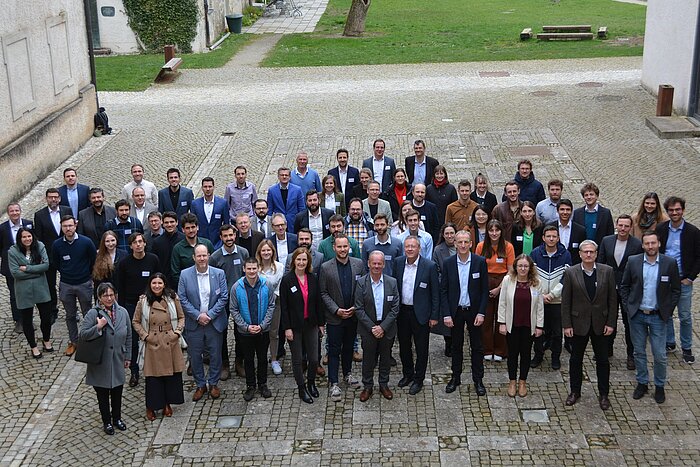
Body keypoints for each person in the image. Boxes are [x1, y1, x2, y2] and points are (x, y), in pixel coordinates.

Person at [621, 232, 681, 404]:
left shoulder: (669, 263)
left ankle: (660, 385)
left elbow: (676, 289)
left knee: (660, 354)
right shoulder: (634, 261)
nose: (650, 246)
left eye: (653, 243)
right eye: (647, 243)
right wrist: (628, 307)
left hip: (658, 316)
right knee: (639, 351)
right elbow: (624, 286)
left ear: (659, 244)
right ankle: (642, 382)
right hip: (637, 315)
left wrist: (668, 310)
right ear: (642, 245)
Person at [561, 240, 617, 410]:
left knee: (602, 360)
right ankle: (575, 391)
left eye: (591, 252)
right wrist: (567, 325)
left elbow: (612, 301)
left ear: (596, 253)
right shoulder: (571, 273)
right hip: (579, 324)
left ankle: (604, 394)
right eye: (585, 252)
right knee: (575, 360)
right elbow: (566, 302)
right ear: (580, 254)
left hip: (600, 323)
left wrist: (611, 323)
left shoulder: (607, 272)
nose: (588, 255)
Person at [78, 282, 131, 435]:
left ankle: (117, 418)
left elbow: (128, 336)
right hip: (100, 361)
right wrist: (98, 327)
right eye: (105, 295)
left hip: (117, 359)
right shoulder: (93, 313)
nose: (109, 298)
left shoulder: (123, 312)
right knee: (102, 394)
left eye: (111, 295)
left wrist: (127, 356)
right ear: (99, 298)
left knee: (117, 392)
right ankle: (106, 421)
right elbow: (83, 334)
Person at [442, 230, 489, 396]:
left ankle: (478, 379)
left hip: (474, 312)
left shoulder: (480, 262)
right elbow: (444, 290)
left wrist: (482, 312)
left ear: (471, 244)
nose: (462, 245)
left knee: (477, 347)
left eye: (465, 242)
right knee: (456, 346)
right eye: (459, 242)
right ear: (454, 243)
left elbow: (484, 290)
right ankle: (455, 377)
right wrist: (446, 314)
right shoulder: (448, 263)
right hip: (456, 312)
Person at [178, 244, 228, 401]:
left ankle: (213, 383)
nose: (202, 258)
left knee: (215, 354)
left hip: (214, 322)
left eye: (204, 255)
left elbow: (223, 297)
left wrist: (210, 315)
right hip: (194, 323)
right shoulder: (185, 275)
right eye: (198, 256)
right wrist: (198, 316)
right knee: (195, 356)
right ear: (194, 257)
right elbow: (183, 299)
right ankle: (200, 384)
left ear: (208, 256)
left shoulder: (218, 274)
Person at [132, 273, 185, 420]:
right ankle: (151, 406)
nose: (157, 286)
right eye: (154, 283)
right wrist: (145, 336)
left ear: (164, 284)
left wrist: (177, 333)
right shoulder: (143, 301)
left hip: (170, 340)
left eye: (160, 283)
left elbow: (181, 317)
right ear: (150, 284)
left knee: (170, 376)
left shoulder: (172, 299)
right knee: (153, 378)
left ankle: (167, 403)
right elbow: (135, 321)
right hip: (152, 342)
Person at [320, 234, 365, 402]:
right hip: (335, 317)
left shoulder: (358, 264)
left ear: (349, 247)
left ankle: (347, 374)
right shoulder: (326, 267)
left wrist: (355, 307)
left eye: (345, 246)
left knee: (348, 347)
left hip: (352, 316)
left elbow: (362, 288)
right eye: (339, 247)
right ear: (334, 248)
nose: (342, 250)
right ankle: (334, 382)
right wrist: (336, 309)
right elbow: (323, 292)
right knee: (333, 350)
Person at [114, 232, 161, 387]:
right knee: (133, 340)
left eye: (141, 241)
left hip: (151, 303)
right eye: (135, 242)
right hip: (131, 305)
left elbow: (159, 281)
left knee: (153, 336)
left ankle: (154, 368)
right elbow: (120, 287)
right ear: (131, 246)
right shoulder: (124, 263)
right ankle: (134, 371)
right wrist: (120, 310)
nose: (138, 245)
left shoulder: (153, 259)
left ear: (145, 243)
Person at [394, 236, 440, 395]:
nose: (410, 249)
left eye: (413, 246)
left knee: (421, 348)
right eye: (407, 246)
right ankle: (408, 374)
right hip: (402, 312)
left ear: (419, 248)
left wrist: (434, 316)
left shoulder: (429, 266)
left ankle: (419, 379)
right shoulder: (398, 262)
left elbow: (435, 293)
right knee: (404, 346)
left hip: (421, 314)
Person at [657, 196, 700, 363]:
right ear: (667, 211)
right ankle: (669, 342)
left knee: (685, 316)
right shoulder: (661, 229)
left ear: (683, 210)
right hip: (665, 279)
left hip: (683, 280)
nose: (675, 213)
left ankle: (687, 346)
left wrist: (690, 277)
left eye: (677, 210)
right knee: (665, 313)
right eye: (671, 210)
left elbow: (698, 256)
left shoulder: (693, 232)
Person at [598, 215, 643, 369]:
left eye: (626, 226)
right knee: (608, 319)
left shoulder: (636, 244)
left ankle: (631, 354)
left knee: (629, 322)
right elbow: (601, 263)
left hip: (628, 289)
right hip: (609, 287)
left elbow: (638, 269)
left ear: (631, 227)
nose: (623, 229)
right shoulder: (607, 241)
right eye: (621, 225)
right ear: (616, 225)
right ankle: (607, 348)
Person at [354, 251, 400, 402]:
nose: (376, 266)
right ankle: (367, 386)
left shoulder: (392, 282)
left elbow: (395, 308)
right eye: (373, 263)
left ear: (384, 264)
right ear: (368, 263)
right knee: (368, 359)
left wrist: (383, 327)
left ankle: (383, 384)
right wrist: (373, 327)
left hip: (387, 328)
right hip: (369, 329)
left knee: (385, 358)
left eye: (379, 263)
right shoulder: (361, 282)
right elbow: (359, 308)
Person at [280, 248, 325, 403]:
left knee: (313, 359)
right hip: (294, 326)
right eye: (298, 259)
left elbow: (319, 302)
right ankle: (301, 387)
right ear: (294, 261)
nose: (301, 262)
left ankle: (311, 382)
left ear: (308, 262)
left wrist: (321, 324)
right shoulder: (287, 280)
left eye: (304, 260)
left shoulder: (313, 278)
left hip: (311, 324)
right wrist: (287, 328)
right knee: (298, 359)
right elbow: (284, 307)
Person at [497, 255, 544, 398]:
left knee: (525, 354)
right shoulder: (507, 281)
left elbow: (540, 306)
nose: (523, 269)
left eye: (526, 266)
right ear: (515, 267)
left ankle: (522, 381)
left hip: (529, 325)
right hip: (512, 324)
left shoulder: (537, 283)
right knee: (512, 354)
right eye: (520, 266)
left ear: (530, 268)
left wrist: (539, 326)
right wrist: (502, 323)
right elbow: (503, 302)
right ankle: (512, 381)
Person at [230, 257, 276, 401]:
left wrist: (263, 325)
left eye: (254, 268)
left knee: (262, 358)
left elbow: (271, 305)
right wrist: (246, 326)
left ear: (258, 269)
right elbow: (234, 309)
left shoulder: (266, 284)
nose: (251, 271)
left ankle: (262, 384)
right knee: (248, 359)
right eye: (248, 268)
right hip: (245, 332)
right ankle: (250, 385)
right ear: (244, 269)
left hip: (263, 330)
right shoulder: (236, 287)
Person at [52, 215, 97, 357]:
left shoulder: (86, 242)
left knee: (88, 313)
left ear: (75, 225)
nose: (68, 228)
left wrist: (87, 275)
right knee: (70, 315)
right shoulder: (57, 245)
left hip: (84, 283)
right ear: (62, 227)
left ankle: (90, 340)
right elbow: (56, 263)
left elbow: (93, 260)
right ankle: (74, 341)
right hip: (66, 284)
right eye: (65, 226)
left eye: (70, 225)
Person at [209, 224, 249, 380]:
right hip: (222, 300)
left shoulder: (243, 252)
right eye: (225, 236)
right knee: (222, 331)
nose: (229, 239)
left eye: (231, 235)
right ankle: (224, 363)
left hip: (240, 298)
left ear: (235, 235)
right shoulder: (215, 257)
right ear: (221, 237)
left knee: (240, 331)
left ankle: (240, 361)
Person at [530, 226, 572, 370]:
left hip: (557, 301)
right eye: (548, 236)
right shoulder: (535, 253)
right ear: (543, 238)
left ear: (558, 238)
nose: (551, 239)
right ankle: (538, 355)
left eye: (554, 236)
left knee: (556, 332)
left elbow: (565, 279)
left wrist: (552, 295)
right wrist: (540, 294)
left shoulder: (565, 255)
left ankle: (555, 357)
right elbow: (531, 276)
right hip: (539, 300)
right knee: (538, 330)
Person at [8, 228, 53, 358]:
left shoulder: (40, 246)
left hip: (41, 288)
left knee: (46, 317)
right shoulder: (13, 251)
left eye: (29, 236)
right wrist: (36, 272)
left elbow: (45, 266)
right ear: (19, 239)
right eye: (24, 237)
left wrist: (27, 269)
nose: (27, 239)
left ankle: (46, 340)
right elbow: (15, 273)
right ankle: (33, 346)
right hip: (23, 290)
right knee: (27, 320)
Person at [475, 219, 515, 361]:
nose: (494, 233)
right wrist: (484, 288)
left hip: (503, 282)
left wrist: (499, 288)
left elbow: (511, 271)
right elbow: (477, 268)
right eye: (491, 230)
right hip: (485, 282)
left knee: (501, 317)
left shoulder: (508, 247)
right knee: (486, 318)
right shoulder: (480, 246)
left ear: (501, 231)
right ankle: (486, 349)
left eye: (496, 230)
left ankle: (500, 350)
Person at [33, 188, 72, 325]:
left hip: (66, 254)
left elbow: (71, 230)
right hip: (48, 256)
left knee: (69, 282)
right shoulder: (39, 215)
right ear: (46, 199)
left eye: (55, 197)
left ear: (60, 199)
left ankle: (71, 310)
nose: (53, 199)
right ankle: (52, 310)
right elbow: (38, 237)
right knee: (50, 284)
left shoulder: (67, 210)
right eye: (50, 197)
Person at [1, 203, 33, 333]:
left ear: (20, 211)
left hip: (27, 264)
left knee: (28, 292)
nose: (14, 213)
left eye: (16, 210)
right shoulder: (2, 228)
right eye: (12, 211)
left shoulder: (28, 224)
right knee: (14, 294)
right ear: (8, 213)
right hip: (10, 267)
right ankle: (18, 320)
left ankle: (28, 319)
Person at [256, 240, 285, 376]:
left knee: (274, 332)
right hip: (258, 305)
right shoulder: (255, 267)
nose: (266, 253)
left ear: (273, 251)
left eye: (269, 250)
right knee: (260, 332)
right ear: (259, 252)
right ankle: (261, 358)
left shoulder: (279, 267)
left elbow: (279, 286)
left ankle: (274, 359)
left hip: (275, 303)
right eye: (263, 250)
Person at [170, 213, 214, 287]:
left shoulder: (207, 243)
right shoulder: (177, 248)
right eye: (187, 228)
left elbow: (214, 265)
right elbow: (175, 273)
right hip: (187, 287)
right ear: (183, 230)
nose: (191, 230)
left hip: (208, 284)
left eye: (193, 227)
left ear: (197, 227)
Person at [191, 177, 229, 249]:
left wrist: (222, 242)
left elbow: (226, 224)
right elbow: (193, 223)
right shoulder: (195, 204)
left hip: (217, 243)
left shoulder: (222, 203)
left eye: (210, 186)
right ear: (202, 188)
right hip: (200, 242)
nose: (208, 189)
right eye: (205, 187)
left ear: (214, 187)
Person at [267, 167, 305, 233]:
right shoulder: (272, 190)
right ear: (278, 177)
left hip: (293, 223)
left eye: (286, 175)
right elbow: (269, 210)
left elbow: (301, 208)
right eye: (282, 175)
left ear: (290, 177)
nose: (284, 177)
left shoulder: (297, 190)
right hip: (279, 224)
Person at [151, 211, 184, 286]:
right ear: (162, 223)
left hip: (182, 280)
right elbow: (155, 264)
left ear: (177, 222)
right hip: (164, 282)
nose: (169, 225)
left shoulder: (184, 239)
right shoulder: (157, 242)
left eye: (172, 222)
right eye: (166, 222)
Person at [550, 199, 586, 265]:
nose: (565, 212)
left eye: (568, 209)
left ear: (571, 211)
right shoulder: (549, 227)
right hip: (554, 266)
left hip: (574, 267)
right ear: (557, 211)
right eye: (562, 209)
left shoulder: (580, 230)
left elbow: (583, 250)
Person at [92, 231, 126, 295]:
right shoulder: (98, 255)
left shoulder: (124, 254)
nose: (110, 243)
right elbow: (97, 279)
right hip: (105, 292)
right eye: (107, 241)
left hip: (120, 290)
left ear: (116, 240)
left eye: (113, 240)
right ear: (103, 242)